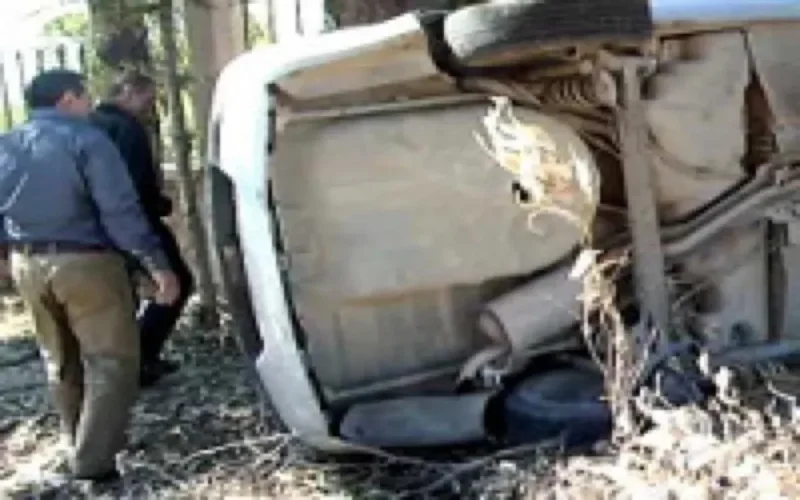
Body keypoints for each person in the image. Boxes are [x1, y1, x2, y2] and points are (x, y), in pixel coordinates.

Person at [0, 69, 179, 484]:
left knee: (60, 359)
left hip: (29, 262)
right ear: (68, 98)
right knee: (113, 361)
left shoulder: (7, 144)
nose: (90, 104)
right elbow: (119, 210)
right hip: (86, 262)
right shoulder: (88, 140)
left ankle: (79, 439)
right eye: (85, 96)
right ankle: (93, 462)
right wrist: (156, 264)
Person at [89, 70, 194, 388]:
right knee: (176, 283)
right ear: (128, 92)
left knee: (122, 296)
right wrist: (159, 205)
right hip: (136, 222)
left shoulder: (88, 127)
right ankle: (141, 358)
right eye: (147, 99)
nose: (150, 107)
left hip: (95, 228)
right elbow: (135, 184)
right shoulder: (127, 128)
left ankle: (123, 362)